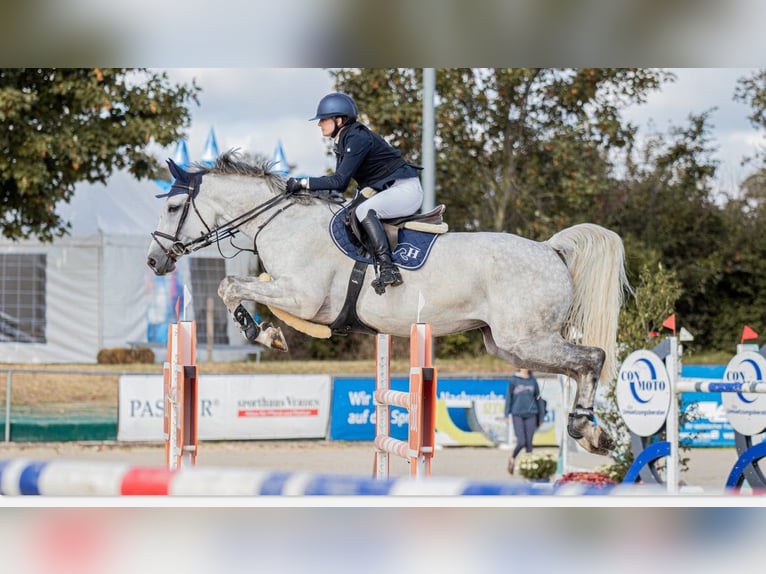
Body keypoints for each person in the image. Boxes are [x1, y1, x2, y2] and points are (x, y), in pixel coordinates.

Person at [285, 92, 423, 294]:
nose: (319, 124)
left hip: (405, 190)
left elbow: (339, 182)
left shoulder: (357, 137)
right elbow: (337, 186)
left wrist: (303, 183)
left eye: (323, 119)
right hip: (389, 190)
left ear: (339, 120)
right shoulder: (344, 140)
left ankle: (388, 267)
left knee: (365, 211)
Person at [504, 368, 542, 475]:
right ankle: (512, 458)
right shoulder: (513, 380)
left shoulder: (533, 380)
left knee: (529, 444)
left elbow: (538, 399)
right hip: (517, 414)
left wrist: (541, 417)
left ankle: (529, 469)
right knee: (521, 441)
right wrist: (506, 414)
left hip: (531, 414)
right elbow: (509, 398)